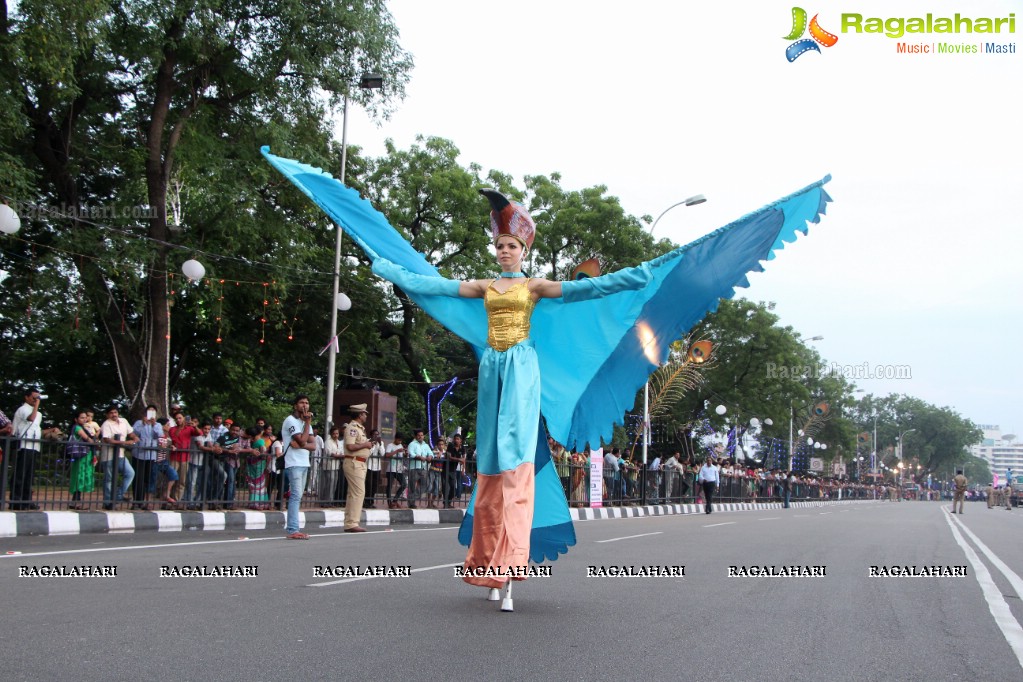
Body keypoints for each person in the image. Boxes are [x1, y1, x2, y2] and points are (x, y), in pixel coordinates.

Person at [267, 148, 833, 612]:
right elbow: (432, 286)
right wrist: (385, 267)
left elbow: (588, 291)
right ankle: (491, 565)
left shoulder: (533, 288)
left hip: (523, 371)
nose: (506, 252)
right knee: (490, 469)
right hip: (493, 371)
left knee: (514, 465)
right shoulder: (484, 286)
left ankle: (511, 568)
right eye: (500, 246)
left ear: (524, 249)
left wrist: (642, 274)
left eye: (513, 246)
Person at [281, 395, 315, 539]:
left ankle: (293, 528)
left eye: (307, 403)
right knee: (295, 496)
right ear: (295, 405)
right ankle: (293, 530)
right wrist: (307, 424)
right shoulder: (291, 420)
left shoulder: (307, 423)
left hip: (304, 463)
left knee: (298, 496)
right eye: (302, 403)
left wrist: (303, 444)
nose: (305, 405)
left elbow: (313, 446)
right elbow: (301, 440)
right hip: (293, 463)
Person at [10, 388, 44, 510]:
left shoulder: (38, 413)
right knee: (20, 473)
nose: (36, 400)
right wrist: (37, 405)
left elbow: (35, 428)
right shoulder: (23, 409)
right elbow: (30, 418)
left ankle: (26, 500)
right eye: (34, 398)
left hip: (34, 446)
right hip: (23, 445)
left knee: (29, 475)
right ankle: (16, 500)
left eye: (38, 398)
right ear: (27, 397)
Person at [99, 406, 137, 510]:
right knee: (109, 479)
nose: (114, 415)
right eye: (111, 413)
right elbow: (107, 440)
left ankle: (118, 496)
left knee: (130, 473)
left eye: (115, 412)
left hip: (120, 454)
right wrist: (124, 442)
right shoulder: (106, 424)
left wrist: (134, 437)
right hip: (109, 456)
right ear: (107, 415)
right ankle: (107, 502)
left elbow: (131, 432)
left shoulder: (123, 421)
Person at [342, 404, 372, 532]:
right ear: (360, 415)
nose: (366, 415)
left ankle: (350, 522)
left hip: (359, 463)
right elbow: (350, 446)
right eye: (365, 413)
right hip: (354, 462)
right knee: (358, 493)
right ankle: (352, 523)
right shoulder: (352, 428)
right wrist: (366, 444)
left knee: (353, 493)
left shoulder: (359, 428)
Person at [131, 404, 165, 510]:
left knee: (149, 479)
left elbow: (159, 435)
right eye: (149, 411)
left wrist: (153, 424)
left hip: (151, 455)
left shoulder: (158, 425)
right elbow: (134, 433)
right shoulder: (138, 423)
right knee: (138, 478)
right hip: (139, 454)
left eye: (153, 411)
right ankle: (137, 501)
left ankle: (147, 501)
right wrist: (143, 423)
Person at [67, 410, 98, 510]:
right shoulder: (78, 428)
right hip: (81, 456)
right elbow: (87, 439)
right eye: (82, 417)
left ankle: (76, 501)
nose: (85, 419)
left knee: (81, 477)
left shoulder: (84, 428)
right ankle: (76, 501)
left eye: (85, 417)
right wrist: (94, 441)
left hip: (85, 455)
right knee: (79, 476)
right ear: (76, 419)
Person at [168, 411, 200, 503]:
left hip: (185, 458)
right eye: (176, 418)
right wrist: (181, 427)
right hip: (174, 458)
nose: (178, 420)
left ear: (184, 418)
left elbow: (199, 433)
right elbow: (175, 437)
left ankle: (176, 500)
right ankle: (168, 498)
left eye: (180, 418)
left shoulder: (189, 428)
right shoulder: (172, 429)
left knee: (182, 481)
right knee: (171, 479)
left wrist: (194, 426)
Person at [406, 429, 431, 509]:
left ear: (423, 436)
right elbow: (411, 453)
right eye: (419, 435)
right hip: (414, 467)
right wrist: (418, 457)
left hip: (423, 467)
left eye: (422, 435)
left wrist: (430, 456)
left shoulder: (426, 445)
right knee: (412, 486)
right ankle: (411, 503)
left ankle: (412, 498)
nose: (420, 437)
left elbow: (430, 453)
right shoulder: (412, 444)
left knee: (425, 485)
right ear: (416, 436)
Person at [321, 426, 343, 507]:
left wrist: (339, 455)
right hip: (329, 466)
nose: (336, 435)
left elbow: (340, 452)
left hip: (336, 466)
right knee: (329, 484)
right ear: (331, 434)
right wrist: (339, 455)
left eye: (337, 433)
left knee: (334, 484)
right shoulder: (328, 442)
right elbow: (331, 454)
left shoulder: (339, 442)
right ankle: (325, 502)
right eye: (334, 434)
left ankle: (330, 501)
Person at [445, 433, 467, 508]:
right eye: (455, 439)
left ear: (461, 440)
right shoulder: (450, 445)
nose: (456, 440)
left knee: (453, 487)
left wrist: (463, 469)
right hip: (445, 468)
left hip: (453, 469)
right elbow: (449, 456)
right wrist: (458, 459)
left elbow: (464, 459)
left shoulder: (462, 448)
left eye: (458, 439)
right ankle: (445, 503)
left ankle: (448, 502)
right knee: (445, 486)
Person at [365, 429, 385, 509]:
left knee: (374, 486)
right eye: (374, 435)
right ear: (371, 435)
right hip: (369, 466)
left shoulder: (381, 443)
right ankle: (366, 501)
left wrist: (379, 444)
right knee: (368, 484)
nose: (376, 436)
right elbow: (368, 453)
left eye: (377, 435)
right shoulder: (367, 442)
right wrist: (372, 445)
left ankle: (371, 501)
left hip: (377, 467)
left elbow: (383, 453)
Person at [385, 434, 407, 509]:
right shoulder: (390, 445)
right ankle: (389, 502)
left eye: (401, 440)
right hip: (391, 469)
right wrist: (397, 451)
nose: (399, 441)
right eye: (398, 440)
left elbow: (402, 456)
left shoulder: (401, 446)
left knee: (404, 484)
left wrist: (405, 454)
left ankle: (395, 500)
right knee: (389, 486)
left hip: (399, 469)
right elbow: (387, 455)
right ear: (395, 438)